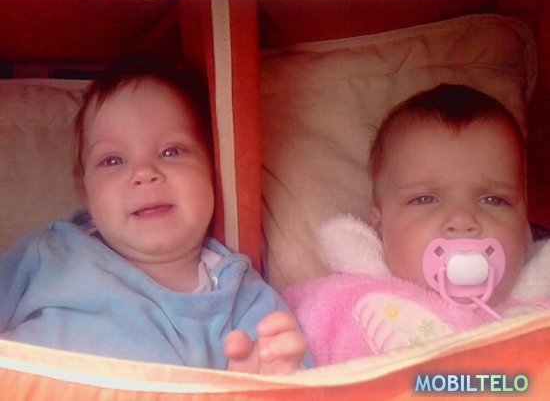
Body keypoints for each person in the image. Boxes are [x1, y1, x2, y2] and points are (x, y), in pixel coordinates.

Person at [0, 56, 310, 374]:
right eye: (112, 161)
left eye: (171, 152)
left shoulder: (239, 295)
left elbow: (295, 371)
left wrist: (265, 379)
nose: (144, 173)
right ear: (85, 191)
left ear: (212, 168)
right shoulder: (51, 252)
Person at [284, 83, 550, 366]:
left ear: (524, 227)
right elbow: (285, 356)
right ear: (380, 227)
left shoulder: (541, 308)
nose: (462, 220)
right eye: (425, 199)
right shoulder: (340, 305)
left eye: (494, 200)